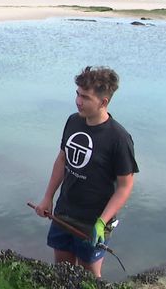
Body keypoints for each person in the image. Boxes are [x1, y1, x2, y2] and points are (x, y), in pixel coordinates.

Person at [34, 66, 139, 278]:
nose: (78, 101)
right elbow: (62, 159)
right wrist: (47, 198)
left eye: (85, 97)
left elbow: (125, 186)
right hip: (64, 211)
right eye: (77, 94)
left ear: (104, 102)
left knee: (89, 276)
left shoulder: (119, 138)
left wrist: (102, 221)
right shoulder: (73, 121)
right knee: (62, 272)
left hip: (94, 220)